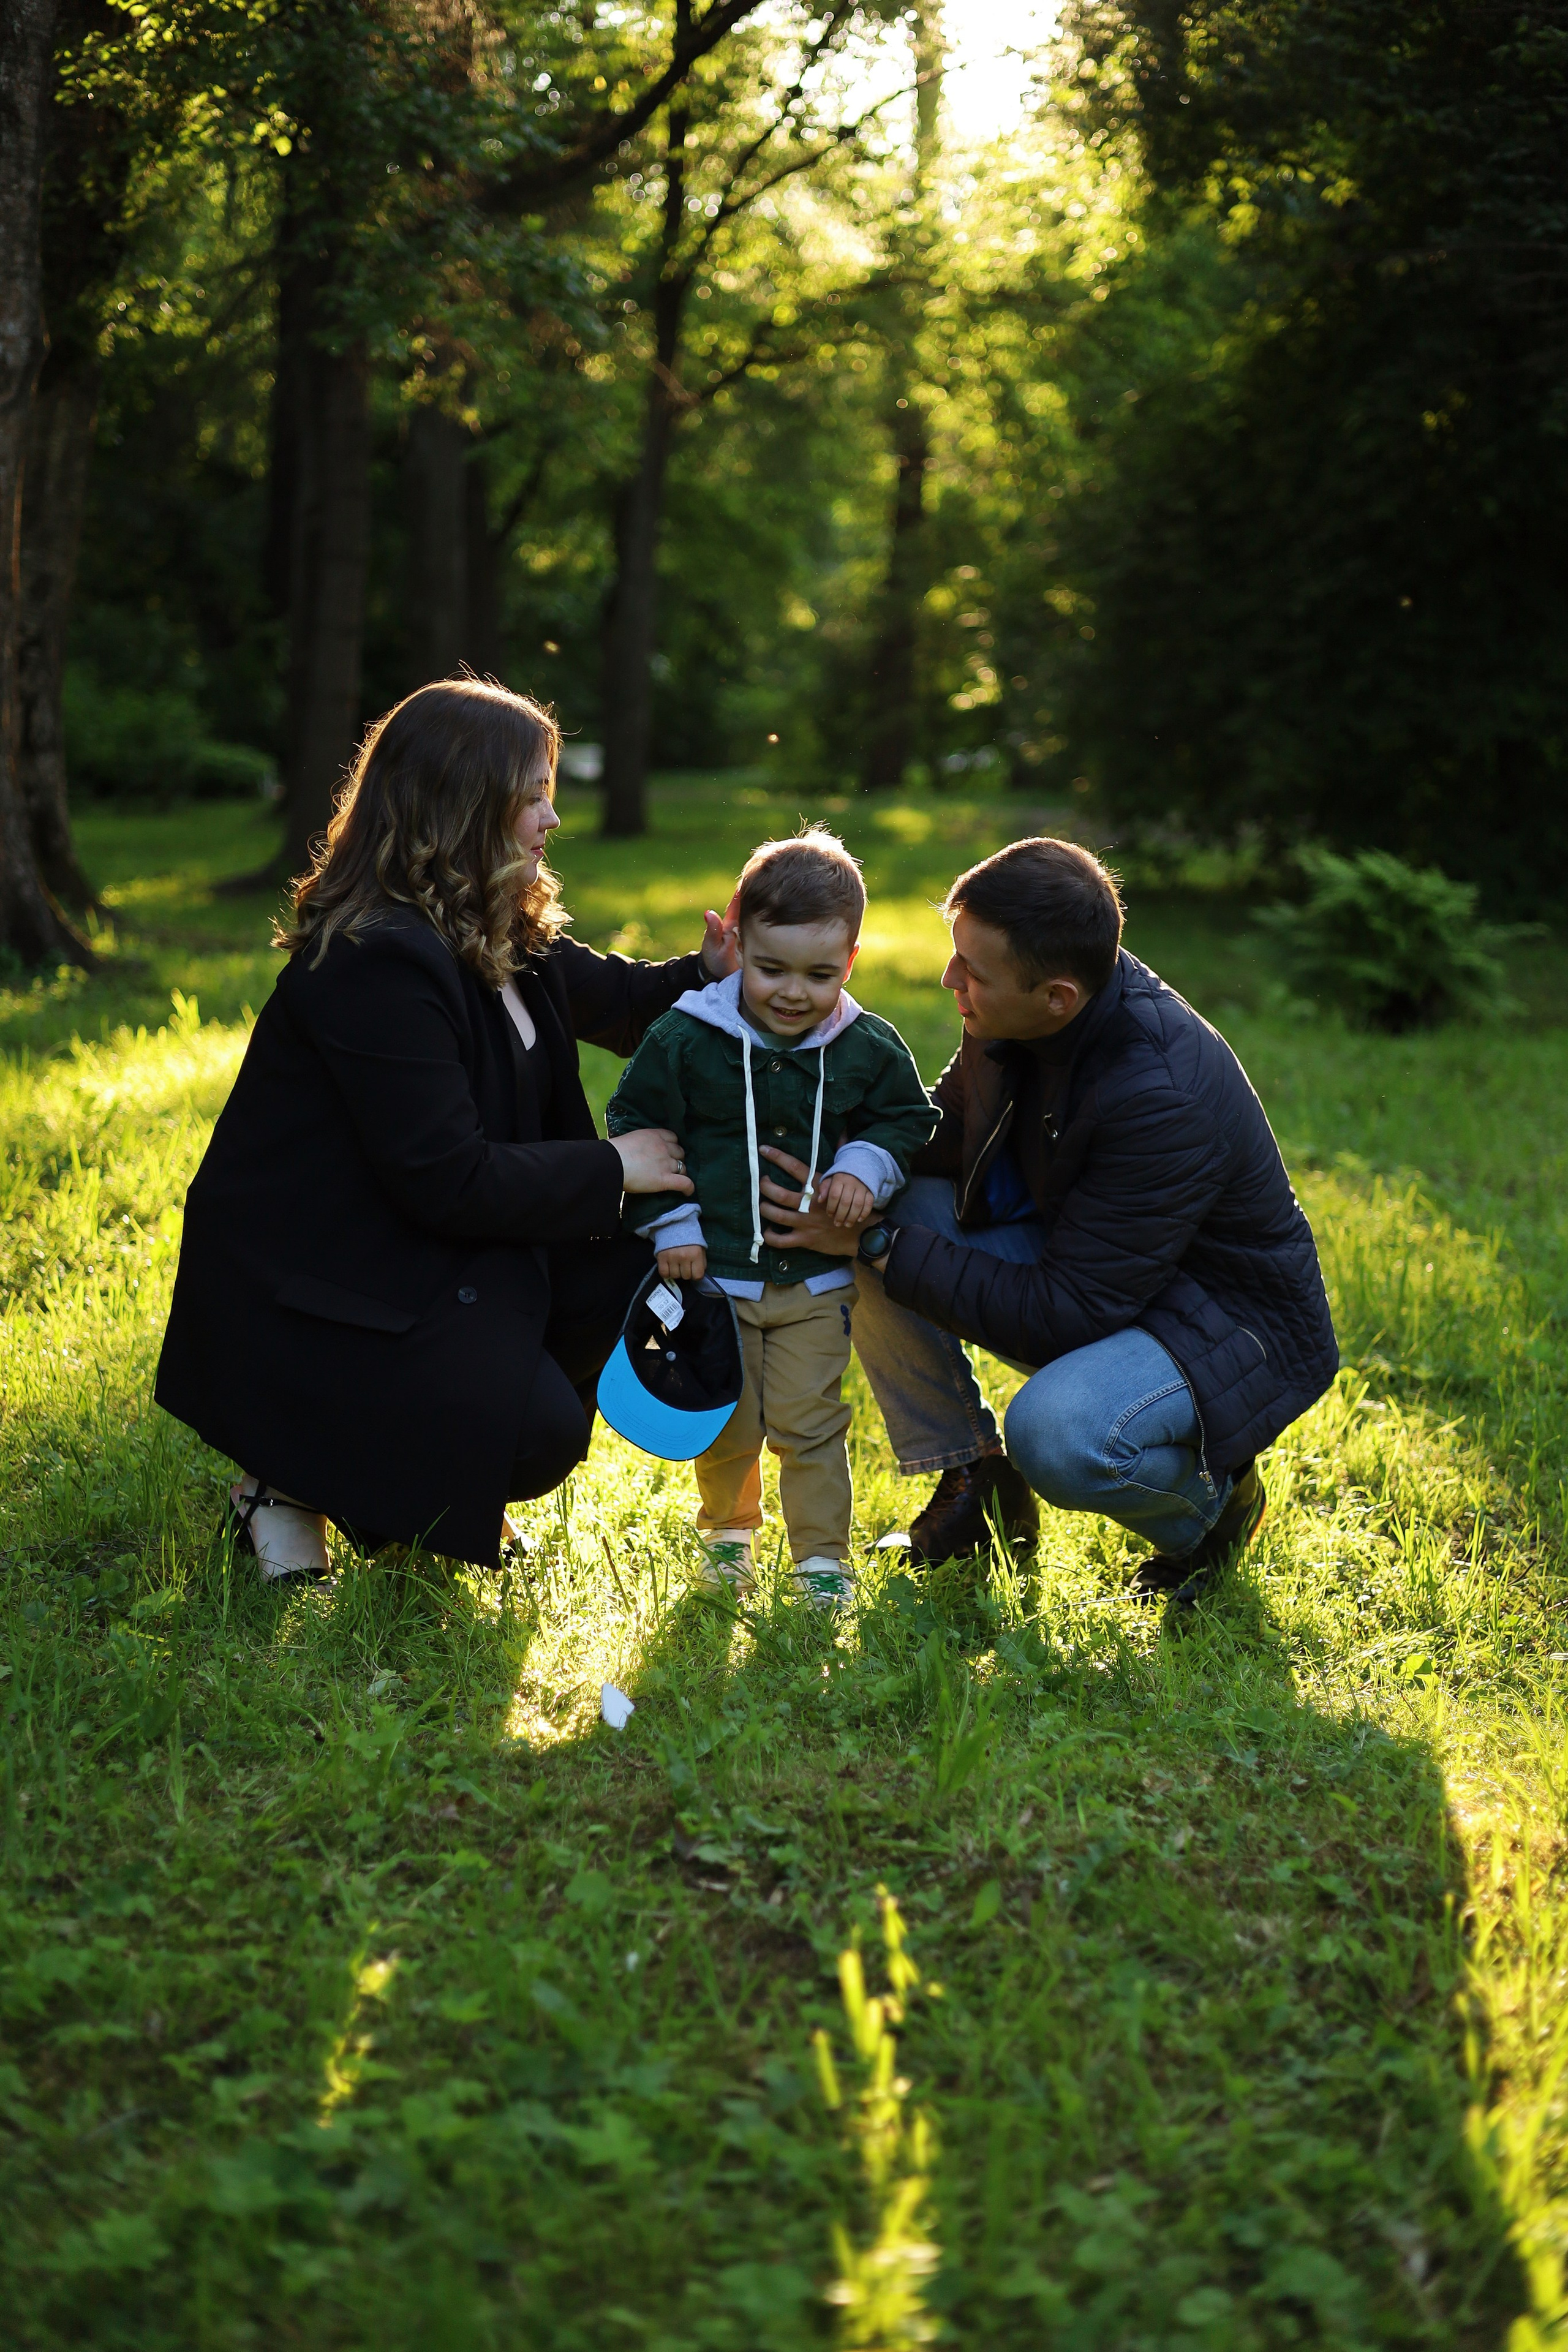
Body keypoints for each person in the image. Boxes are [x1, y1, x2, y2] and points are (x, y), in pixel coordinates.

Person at [155, 679, 734, 1581]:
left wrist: (713, 970)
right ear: (461, 802)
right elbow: (445, 1177)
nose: (551, 818)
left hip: (432, 1249)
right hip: (336, 1278)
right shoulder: (376, 957)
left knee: (642, 1268)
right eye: (533, 795)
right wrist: (613, 1165)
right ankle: (285, 1480)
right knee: (533, 1435)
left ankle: (399, 1486)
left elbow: (622, 1005)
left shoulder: (496, 920)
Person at [755, 836, 1339, 1601]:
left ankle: (1214, 1509)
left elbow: (1069, 1314)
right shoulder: (1017, 1008)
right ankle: (976, 1486)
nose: (948, 980)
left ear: (1056, 996)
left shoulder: (1158, 1093)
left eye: (973, 971)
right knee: (875, 1198)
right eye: (956, 955)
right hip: (1107, 1265)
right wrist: (838, 1159)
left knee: (1055, 1433)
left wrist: (873, 1240)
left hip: (1227, 1322)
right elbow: (950, 1133)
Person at [605, 831, 935, 1608]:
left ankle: (822, 1561)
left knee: (810, 1422)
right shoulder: (688, 1038)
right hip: (714, 1275)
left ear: (850, 962)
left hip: (814, 1282)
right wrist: (673, 1225)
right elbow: (637, 1122)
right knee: (729, 1421)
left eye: (820, 975)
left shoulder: (866, 1044)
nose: (793, 992)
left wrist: (863, 1168)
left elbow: (906, 1120)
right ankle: (728, 1537)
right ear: (737, 945)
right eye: (770, 968)